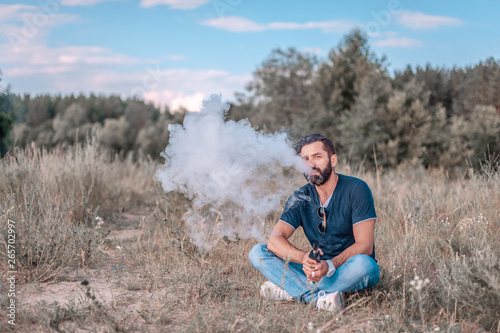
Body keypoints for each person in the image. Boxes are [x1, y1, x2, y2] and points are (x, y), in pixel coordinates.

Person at [248, 134, 380, 311]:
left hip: (347, 269)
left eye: (317, 157)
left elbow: (365, 245)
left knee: (366, 265)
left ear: (333, 160)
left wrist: (331, 265)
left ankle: (292, 290)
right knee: (258, 252)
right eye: (305, 159)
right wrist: (304, 259)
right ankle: (318, 298)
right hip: (314, 272)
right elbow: (275, 239)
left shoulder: (357, 189)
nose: (310, 164)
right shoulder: (300, 197)